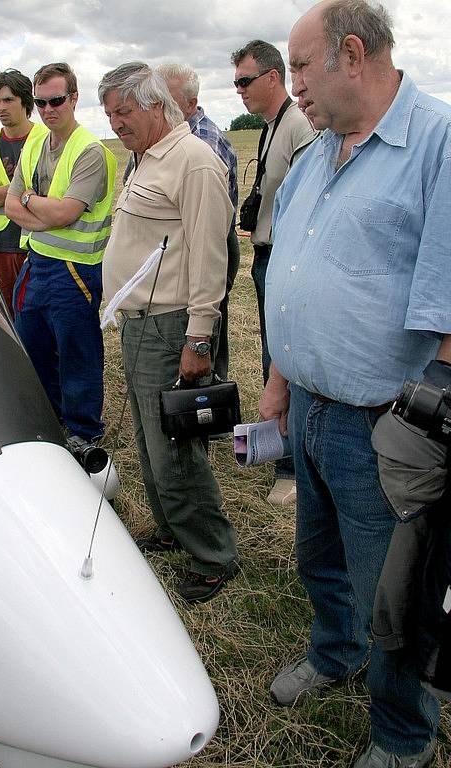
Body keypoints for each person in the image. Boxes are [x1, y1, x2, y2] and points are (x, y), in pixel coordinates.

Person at [260, 1, 451, 766]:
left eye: (300, 67)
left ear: (350, 53)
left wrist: (428, 431)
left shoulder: (437, 143)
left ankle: (403, 738)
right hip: (310, 405)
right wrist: (279, 381)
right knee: (319, 557)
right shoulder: (318, 153)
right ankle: (334, 653)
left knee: (394, 600)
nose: (292, 85)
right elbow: (296, 277)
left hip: (385, 423)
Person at [98, 62, 238, 604]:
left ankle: (212, 553)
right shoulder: (143, 159)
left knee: (173, 448)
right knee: (149, 439)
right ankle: (172, 527)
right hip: (138, 324)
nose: (116, 123)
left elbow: (210, 256)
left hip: (169, 325)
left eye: (125, 112)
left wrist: (198, 338)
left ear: (157, 104)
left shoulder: (194, 162)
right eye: (109, 113)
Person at [5, 62, 115, 441]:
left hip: (75, 269)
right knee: (32, 344)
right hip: (37, 264)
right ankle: (54, 425)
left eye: (55, 101)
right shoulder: (35, 142)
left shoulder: (90, 152)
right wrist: (44, 211)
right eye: (40, 103)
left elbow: (68, 211)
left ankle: (85, 432)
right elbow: (9, 205)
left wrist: (30, 199)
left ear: (73, 99)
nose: (48, 110)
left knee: (77, 353)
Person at [232, 39, 316, 505]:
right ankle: (277, 452)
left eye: (245, 80)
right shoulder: (272, 125)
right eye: (236, 82)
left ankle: (292, 469)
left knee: (282, 361)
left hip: (283, 258)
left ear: (272, 77)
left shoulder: (297, 125)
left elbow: (302, 207)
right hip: (267, 255)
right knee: (271, 357)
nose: (239, 90)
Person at [157, 62, 239, 384]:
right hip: (193, 239)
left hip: (208, 239)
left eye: (169, 100)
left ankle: (206, 398)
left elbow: (207, 227)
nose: (161, 108)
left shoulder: (201, 142)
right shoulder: (171, 138)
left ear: (191, 104)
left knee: (206, 317)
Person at [0, 69, 48, 315]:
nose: (1, 107)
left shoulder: (47, 138)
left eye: (8, 100)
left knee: (41, 315)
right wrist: (16, 188)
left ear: (25, 101)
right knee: (8, 315)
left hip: (40, 239)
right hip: (0, 243)